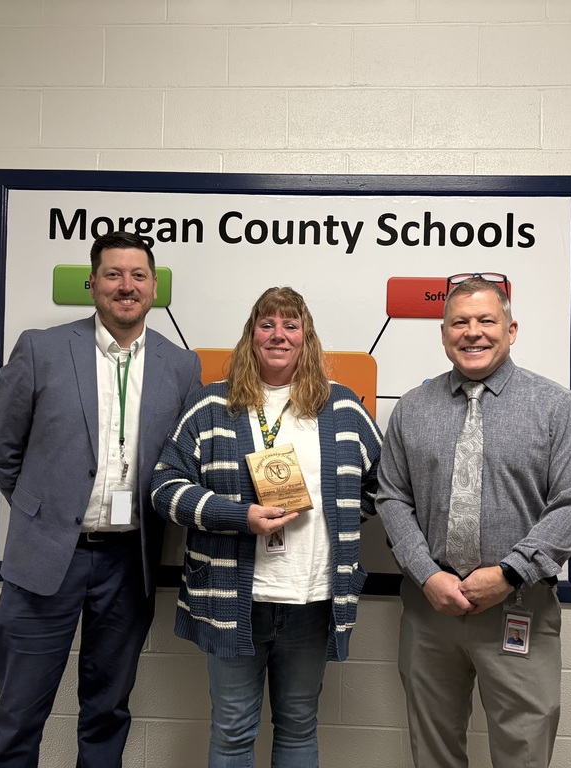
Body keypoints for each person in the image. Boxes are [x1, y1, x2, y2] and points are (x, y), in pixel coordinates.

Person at [0, 231, 202, 767]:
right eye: (113, 274)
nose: (126, 286)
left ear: (154, 287)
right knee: (18, 714)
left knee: (107, 713)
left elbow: (183, 462)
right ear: (93, 283)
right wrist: (42, 512)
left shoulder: (181, 366)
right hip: (47, 559)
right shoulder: (42, 349)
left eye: (138, 275)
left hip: (128, 563)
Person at [376, 274, 571, 768]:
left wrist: (508, 573)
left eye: (486, 320)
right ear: (444, 333)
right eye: (460, 322)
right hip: (431, 608)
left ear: (511, 330)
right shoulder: (413, 409)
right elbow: (391, 497)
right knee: (433, 753)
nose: (472, 332)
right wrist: (427, 574)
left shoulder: (557, 408)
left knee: (524, 751)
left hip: (518, 604)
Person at [151, 286, 382, 767]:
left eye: (291, 325)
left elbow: (383, 484)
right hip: (234, 599)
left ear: (306, 338)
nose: (279, 334)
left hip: (311, 599)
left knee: (299, 726)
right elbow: (165, 487)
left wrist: (340, 517)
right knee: (233, 729)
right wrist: (240, 517)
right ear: (251, 335)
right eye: (267, 324)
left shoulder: (342, 407)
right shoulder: (211, 405)